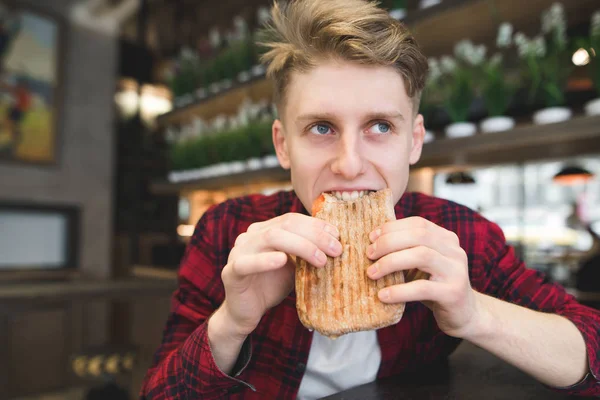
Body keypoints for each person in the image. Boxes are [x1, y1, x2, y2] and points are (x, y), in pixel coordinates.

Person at [140, 1, 600, 398]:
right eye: (321, 128)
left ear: (413, 141)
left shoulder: (459, 238)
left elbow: (592, 345)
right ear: (283, 145)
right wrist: (231, 323)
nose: (349, 164)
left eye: (380, 126)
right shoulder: (228, 230)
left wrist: (474, 314)